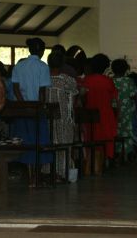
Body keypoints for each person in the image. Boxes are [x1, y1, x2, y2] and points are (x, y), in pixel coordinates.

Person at [11, 37, 53, 186]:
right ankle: (37, 176)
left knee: (26, 141)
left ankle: (29, 177)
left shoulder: (19, 66)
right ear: (41, 51)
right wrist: (40, 106)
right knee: (39, 141)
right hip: (37, 108)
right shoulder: (43, 67)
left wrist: (23, 103)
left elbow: (15, 88)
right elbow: (42, 91)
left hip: (21, 109)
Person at [80, 53, 118, 175]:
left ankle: (88, 168)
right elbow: (115, 100)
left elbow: (82, 98)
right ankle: (98, 169)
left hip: (89, 115)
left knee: (90, 141)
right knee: (103, 143)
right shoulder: (108, 81)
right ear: (105, 67)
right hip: (105, 115)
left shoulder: (86, 80)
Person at [46, 52, 78, 180]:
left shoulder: (44, 78)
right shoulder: (67, 79)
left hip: (48, 116)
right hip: (64, 116)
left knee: (50, 142)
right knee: (64, 143)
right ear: (62, 63)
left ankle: (49, 171)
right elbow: (74, 98)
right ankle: (63, 171)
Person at [111, 58, 137, 161]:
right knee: (127, 132)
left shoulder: (111, 81)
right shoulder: (129, 81)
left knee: (116, 131)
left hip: (114, 111)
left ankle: (116, 153)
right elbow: (134, 95)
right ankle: (126, 154)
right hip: (127, 112)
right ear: (126, 69)